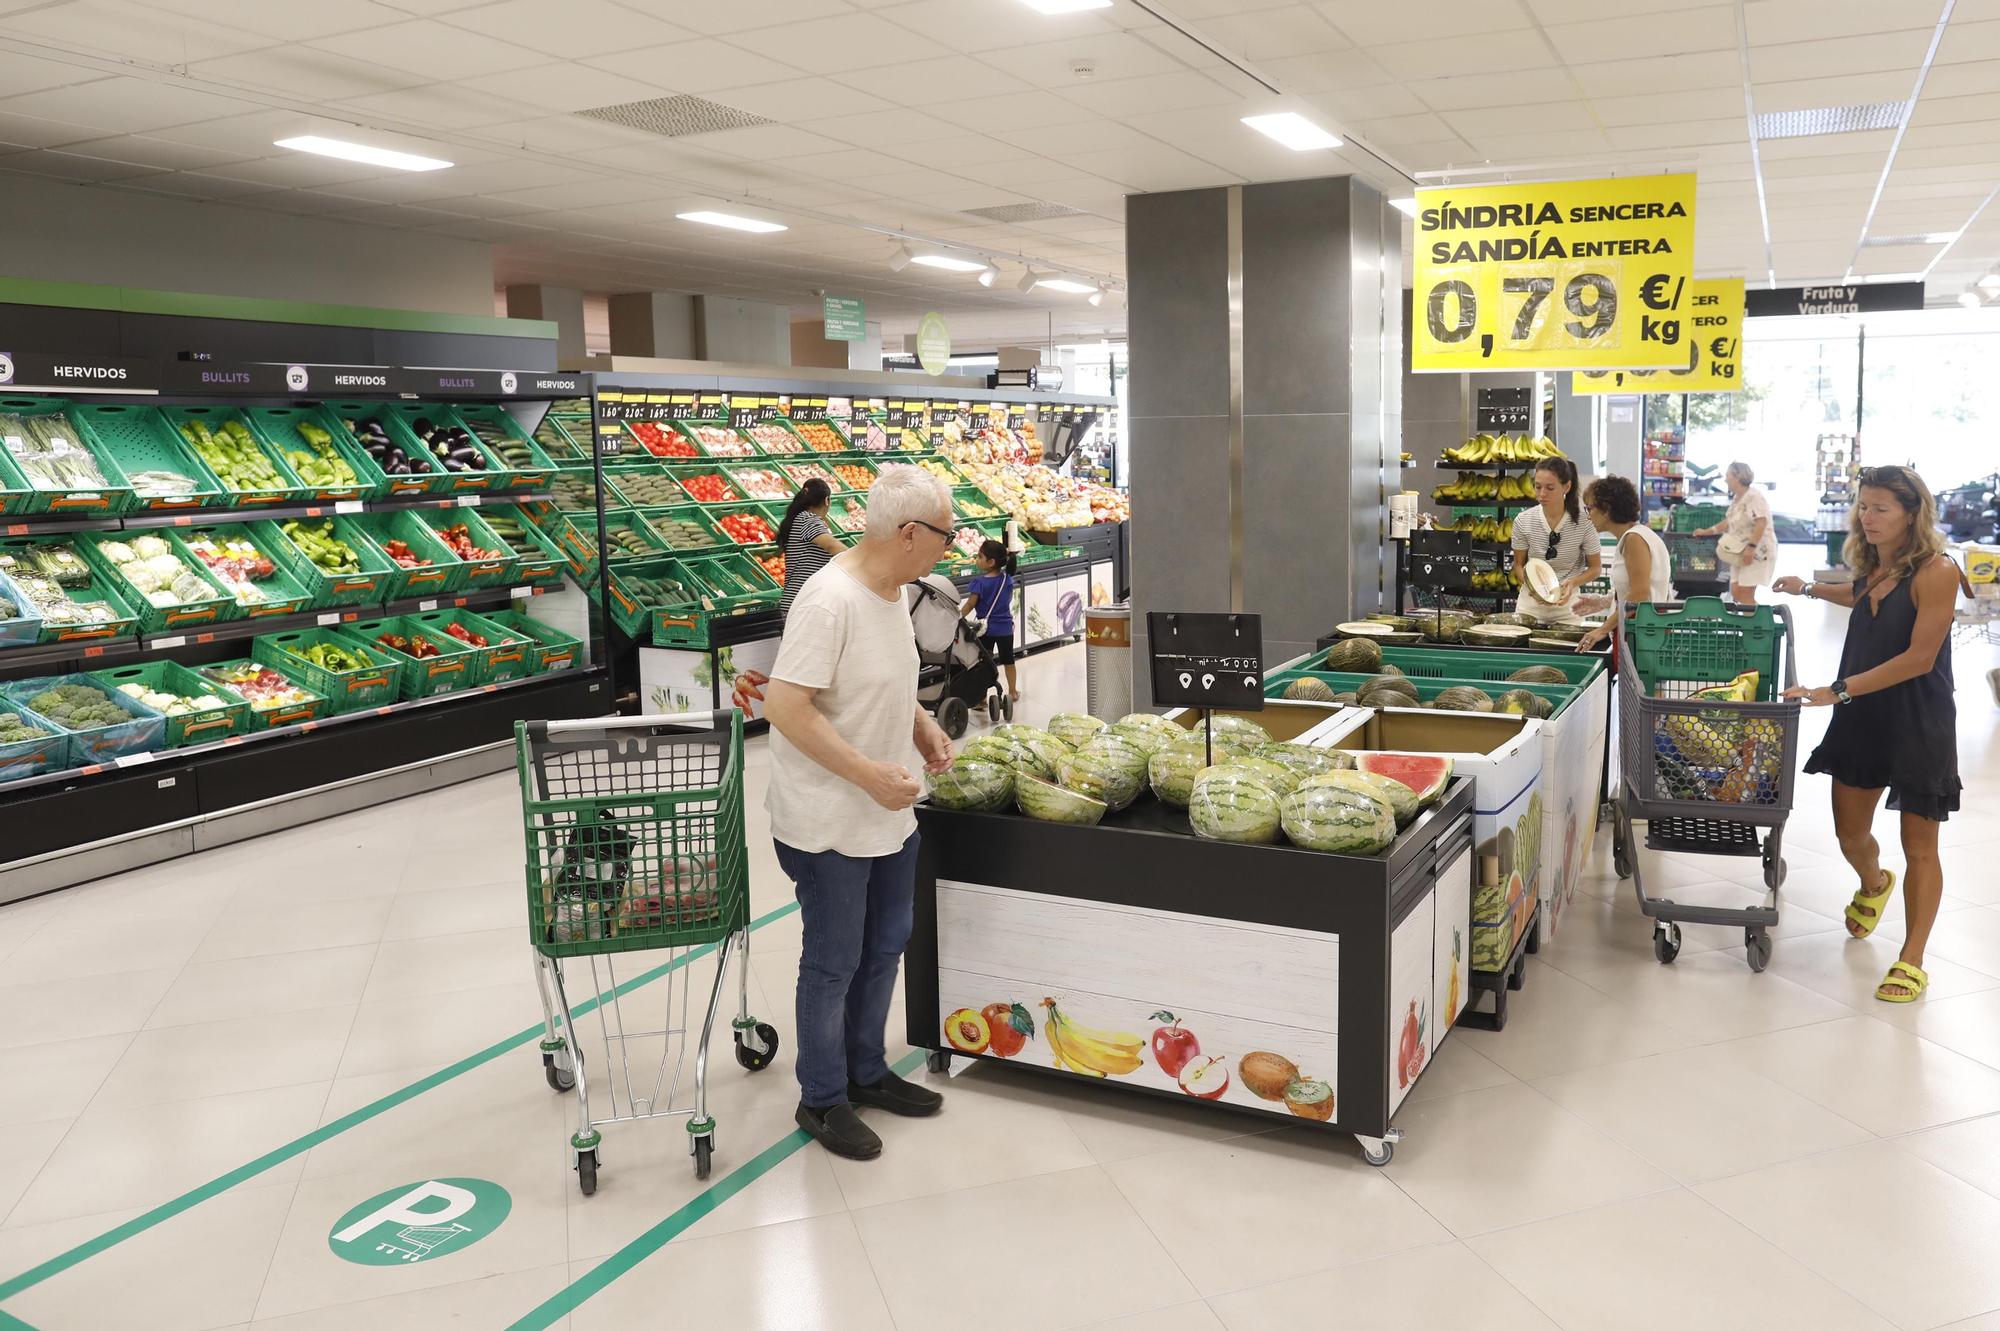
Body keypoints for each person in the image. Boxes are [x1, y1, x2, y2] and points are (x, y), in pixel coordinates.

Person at [763, 465, 958, 1159]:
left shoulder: (892, 591)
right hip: (828, 819)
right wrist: (867, 774)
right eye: (946, 533)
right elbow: (784, 704)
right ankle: (821, 1098)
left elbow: (883, 679)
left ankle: (867, 1070)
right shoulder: (829, 601)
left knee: (886, 942)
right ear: (910, 533)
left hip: (887, 810)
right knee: (834, 959)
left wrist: (920, 727)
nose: (951, 545)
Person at [1774, 465, 1960, 1003]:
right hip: (1861, 716)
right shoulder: (1879, 565)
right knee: (1850, 835)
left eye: (1881, 507)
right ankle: (1874, 883)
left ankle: (1912, 959)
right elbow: (1861, 595)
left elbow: (1921, 657)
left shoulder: (1938, 569)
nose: (1867, 516)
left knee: (1920, 845)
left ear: (1912, 513)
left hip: (1917, 719)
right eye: (1864, 505)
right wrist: (1808, 587)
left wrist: (1838, 689)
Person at [1575, 475, 1672, 653]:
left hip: (1642, 634)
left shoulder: (1634, 539)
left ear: (1606, 508)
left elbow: (1640, 595)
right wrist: (1604, 601)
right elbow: (1637, 589)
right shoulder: (1637, 535)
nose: (1588, 515)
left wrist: (1602, 630)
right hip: (1644, 631)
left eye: (1589, 508)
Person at [1510, 455, 1602, 621]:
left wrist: (1573, 583)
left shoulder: (1584, 522)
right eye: (1537, 487)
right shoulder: (1523, 520)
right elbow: (1518, 565)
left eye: (1550, 488)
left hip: (1568, 610)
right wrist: (1535, 588)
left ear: (1566, 487)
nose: (1542, 494)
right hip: (1529, 607)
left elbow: (1595, 569)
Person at [1692, 461, 1776, 603]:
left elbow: (1762, 522)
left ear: (1737, 477)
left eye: (1727, 475)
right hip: (1739, 550)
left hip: (1757, 551)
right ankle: (1754, 623)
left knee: (1744, 593)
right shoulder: (1737, 498)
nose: (1725, 479)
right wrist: (1707, 532)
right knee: (1736, 591)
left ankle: (1761, 623)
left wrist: (1751, 547)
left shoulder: (1753, 496)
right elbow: (1728, 522)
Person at [777, 477, 845, 621]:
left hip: (799, 600)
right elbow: (832, 546)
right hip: (804, 602)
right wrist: (862, 559)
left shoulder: (799, 518)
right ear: (827, 501)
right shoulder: (807, 519)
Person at [960, 539, 1019, 701]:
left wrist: (958, 616)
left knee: (984, 664)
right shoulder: (1007, 580)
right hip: (1005, 628)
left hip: (985, 630)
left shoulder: (979, 583)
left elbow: (971, 604)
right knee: (1008, 661)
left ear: (991, 562)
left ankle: (981, 698)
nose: (977, 560)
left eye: (980, 556)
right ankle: (1013, 691)